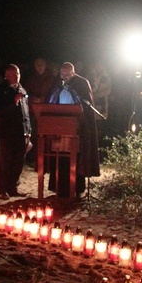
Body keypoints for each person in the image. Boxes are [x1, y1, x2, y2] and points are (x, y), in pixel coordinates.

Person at [46, 62, 100, 198]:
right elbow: (50, 100)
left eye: (67, 75)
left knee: (76, 159)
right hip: (60, 127)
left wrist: (72, 91)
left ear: (73, 73)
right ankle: (60, 188)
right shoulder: (56, 83)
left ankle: (77, 189)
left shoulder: (82, 83)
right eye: (62, 74)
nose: (64, 77)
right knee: (60, 158)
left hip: (77, 127)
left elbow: (86, 104)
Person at [0, 64, 31, 200]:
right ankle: (3, 189)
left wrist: (28, 130)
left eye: (18, 74)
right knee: (5, 161)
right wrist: (12, 102)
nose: (16, 77)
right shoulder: (0, 90)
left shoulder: (22, 89)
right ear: (6, 75)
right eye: (13, 74)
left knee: (18, 161)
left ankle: (13, 187)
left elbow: (26, 112)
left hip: (22, 132)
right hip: (7, 132)